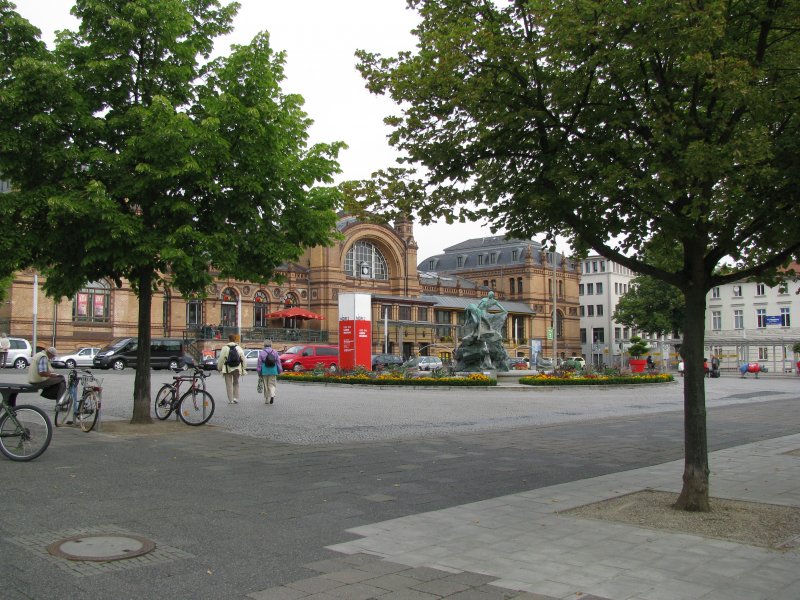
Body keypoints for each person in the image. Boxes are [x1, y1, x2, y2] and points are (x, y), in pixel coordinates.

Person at [217, 334, 245, 404]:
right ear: (235, 339)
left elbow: (221, 359)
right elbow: (243, 358)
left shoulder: (225, 348)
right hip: (237, 368)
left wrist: (219, 368)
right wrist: (243, 368)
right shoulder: (239, 347)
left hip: (227, 368)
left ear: (228, 339)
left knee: (228, 384)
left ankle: (231, 400)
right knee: (236, 383)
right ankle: (236, 398)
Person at [257, 340, 283, 405]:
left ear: (264, 345)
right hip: (273, 370)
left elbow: (259, 363)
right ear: (271, 345)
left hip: (264, 370)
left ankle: (266, 399)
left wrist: (259, 372)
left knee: (266, 385)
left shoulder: (262, 353)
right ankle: (272, 394)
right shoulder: (275, 352)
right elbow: (278, 362)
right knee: (272, 384)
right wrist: (279, 370)